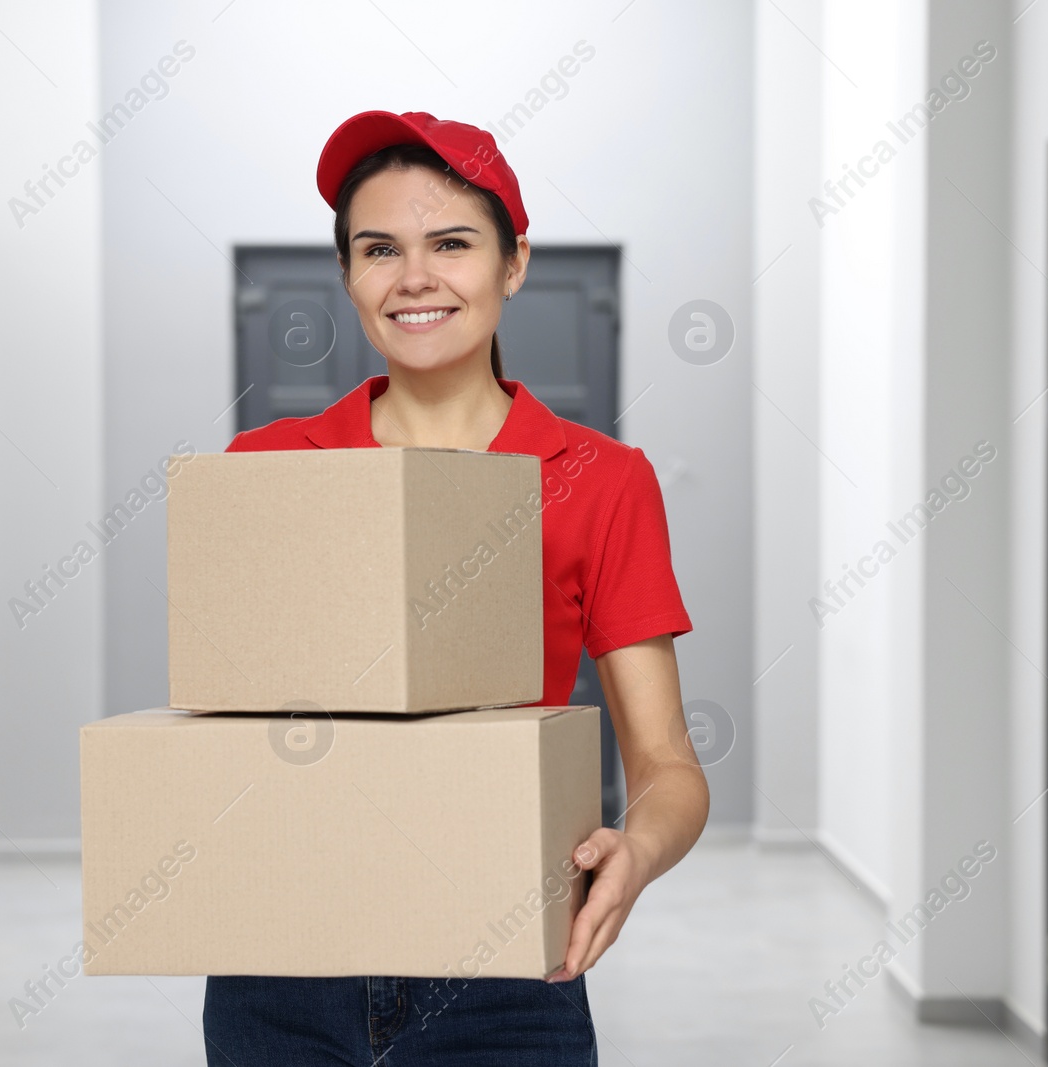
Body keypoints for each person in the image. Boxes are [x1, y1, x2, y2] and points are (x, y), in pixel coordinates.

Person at [203, 109, 708, 1067]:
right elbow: (229, 725)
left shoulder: (598, 478)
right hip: (282, 970)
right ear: (349, 275)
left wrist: (635, 854)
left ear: (513, 263)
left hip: (506, 972)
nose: (414, 277)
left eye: (451, 243)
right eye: (379, 248)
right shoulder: (269, 464)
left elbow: (668, 763)